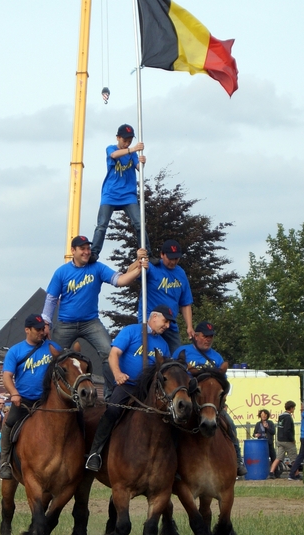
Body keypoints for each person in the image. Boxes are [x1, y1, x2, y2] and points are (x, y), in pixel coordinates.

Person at [42, 235, 146, 401]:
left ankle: (110, 394)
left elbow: (119, 280)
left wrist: (138, 269)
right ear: (73, 251)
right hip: (65, 324)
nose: (86, 252)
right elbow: (51, 298)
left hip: (91, 322)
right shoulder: (62, 272)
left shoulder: (97, 268)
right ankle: (48, 396)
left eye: (88, 248)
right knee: (53, 358)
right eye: (82, 248)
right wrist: (46, 322)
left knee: (108, 351)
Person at [85, 305, 173, 472]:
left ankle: (172, 462)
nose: (167, 326)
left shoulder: (163, 344)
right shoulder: (130, 332)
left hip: (151, 390)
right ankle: (95, 453)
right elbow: (114, 354)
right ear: (154, 317)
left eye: (169, 323)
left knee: (170, 416)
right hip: (128, 386)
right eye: (165, 321)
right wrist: (118, 374)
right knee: (112, 411)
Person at [172, 321, 246, 477]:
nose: (208, 339)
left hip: (209, 404)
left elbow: (223, 384)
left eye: (211, 337)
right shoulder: (182, 351)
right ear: (196, 336)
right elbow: (173, 375)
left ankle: (238, 461)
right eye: (205, 336)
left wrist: (221, 401)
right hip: (187, 402)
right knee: (171, 428)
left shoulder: (216, 357)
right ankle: (172, 464)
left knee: (230, 425)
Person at [0, 314, 62, 479]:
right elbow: (7, 376)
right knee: (9, 424)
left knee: (74, 420)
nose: (41, 332)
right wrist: (14, 393)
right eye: (38, 329)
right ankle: (5, 462)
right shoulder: (16, 351)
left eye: (43, 329)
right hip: (24, 400)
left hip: (48, 400)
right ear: (27, 330)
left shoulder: (53, 347)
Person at [89, 123, 156, 263]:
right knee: (102, 225)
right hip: (111, 194)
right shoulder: (111, 148)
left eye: (130, 141)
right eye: (125, 140)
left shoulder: (133, 154)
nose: (127, 143)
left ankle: (147, 253)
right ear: (118, 138)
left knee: (139, 224)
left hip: (128, 195)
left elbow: (138, 168)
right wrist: (132, 149)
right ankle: (94, 253)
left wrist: (142, 162)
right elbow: (114, 155)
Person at [135, 241, 194, 354]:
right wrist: (138, 260)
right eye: (170, 258)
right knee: (148, 354)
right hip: (150, 321)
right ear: (162, 254)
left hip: (170, 324)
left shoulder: (180, 273)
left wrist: (189, 326)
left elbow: (185, 303)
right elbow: (129, 273)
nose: (173, 262)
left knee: (177, 357)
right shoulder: (151, 268)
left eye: (176, 258)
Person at [268, 401, 299, 479]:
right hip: (287, 440)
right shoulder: (288, 417)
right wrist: (292, 439)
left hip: (280, 440)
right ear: (291, 408)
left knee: (279, 457)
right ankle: (296, 474)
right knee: (293, 457)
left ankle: (271, 472)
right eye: (294, 408)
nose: (294, 409)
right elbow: (287, 430)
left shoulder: (281, 416)